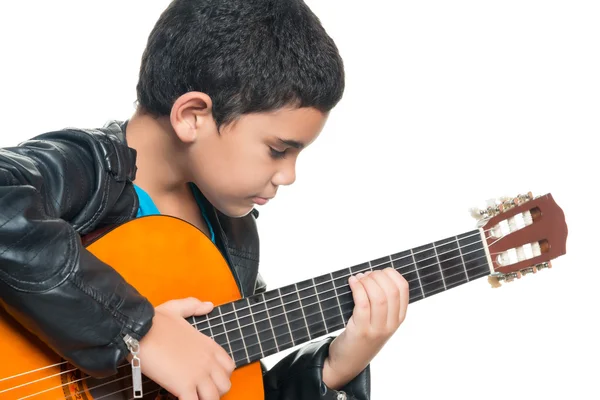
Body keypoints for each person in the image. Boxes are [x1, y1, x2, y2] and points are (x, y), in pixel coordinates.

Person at [0, 0, 409, 399]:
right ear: (193, 115)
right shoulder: (88, 170)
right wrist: (140, 331)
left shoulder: (233, 238)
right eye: (278, 150)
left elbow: (229, 385)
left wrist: (335, 368)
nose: (289, 175)